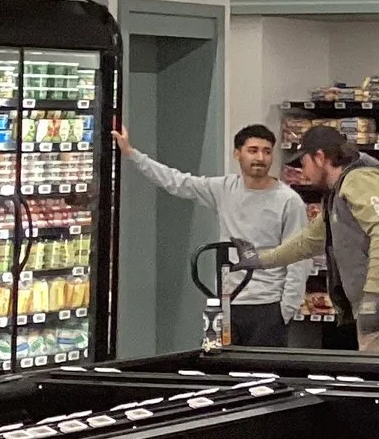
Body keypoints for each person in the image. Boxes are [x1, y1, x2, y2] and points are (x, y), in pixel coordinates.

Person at [244, 122, 379, 353]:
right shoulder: (337, 194)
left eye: (304, 162)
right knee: (375, 380)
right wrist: (260, 260)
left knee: (378, 383)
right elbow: (309, 241)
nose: (303, 171)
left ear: (319, 157)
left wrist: (372, 296)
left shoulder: (360, 179)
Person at [112, 122, 308, 347]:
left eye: (266, 151)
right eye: (252, 150)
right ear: (237, 154)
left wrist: (286, 310)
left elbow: (299, 256)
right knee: (220, 367)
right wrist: (131, 154)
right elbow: (176, 181)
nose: (260, 158)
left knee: (263, 375)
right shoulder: (223, 188)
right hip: (225, 302)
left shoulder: (289, 201)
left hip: (268, 305)